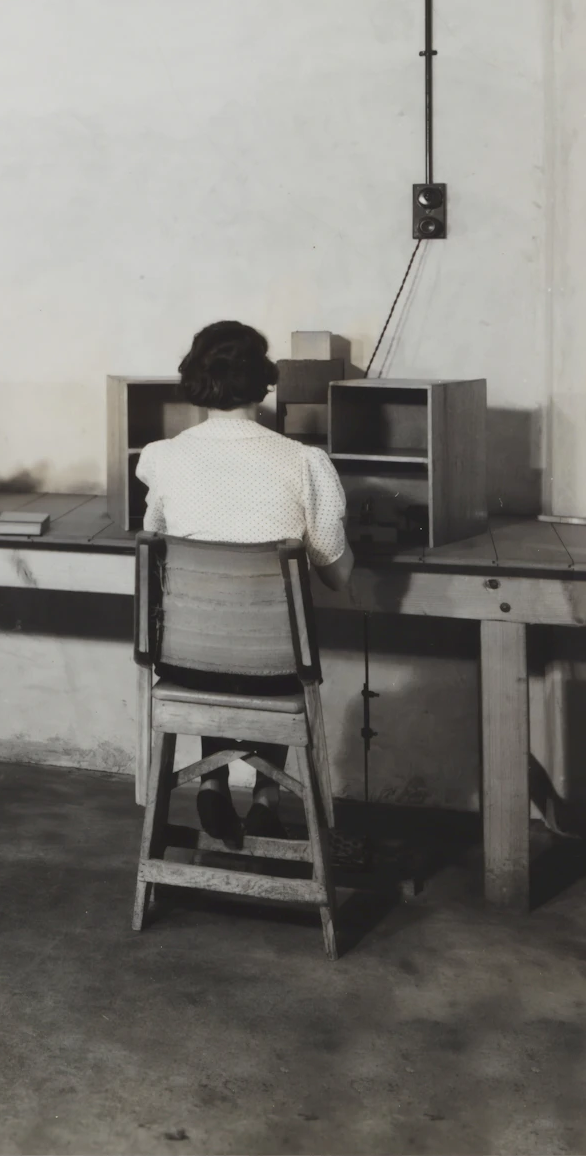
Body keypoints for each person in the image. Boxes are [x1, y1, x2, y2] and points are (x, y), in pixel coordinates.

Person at [136, 319, 354, 845]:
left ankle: (211, 784)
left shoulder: (164, 458)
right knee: (269, 641)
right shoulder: (303, 462)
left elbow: (156, 544)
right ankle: (265, 796)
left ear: (195, 380)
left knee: (216, 627)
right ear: (265, 382)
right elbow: (337, 575)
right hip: (275, 672)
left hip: (187, 664)